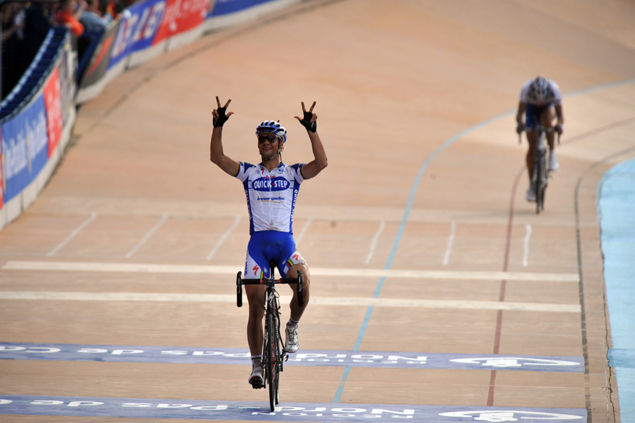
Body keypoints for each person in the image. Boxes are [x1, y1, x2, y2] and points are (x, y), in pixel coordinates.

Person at [209, 97, 328, 389]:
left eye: (270, 139)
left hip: (284, 244)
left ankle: (291, 326)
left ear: (281, 144)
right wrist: (217, 126)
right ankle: (257, 365)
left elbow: (322, 163)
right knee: (255, 305)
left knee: (303, 282)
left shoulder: (293, 173)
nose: (264, 143)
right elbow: (217, 158)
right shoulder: (249, 172)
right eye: (261, 138)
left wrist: (312, 130)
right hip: (258, 248)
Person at [515, 76, 564, 202]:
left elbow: (560, 116)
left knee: (547, 120)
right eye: (538, 99)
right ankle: (532, 185)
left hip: (548, 108)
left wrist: (558, 126)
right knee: (532, 145)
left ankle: (552, 154)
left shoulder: (554, 89)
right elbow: (520, 113)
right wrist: (520, 125)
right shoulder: (526, 89)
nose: (540, 102)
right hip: (532, 109)